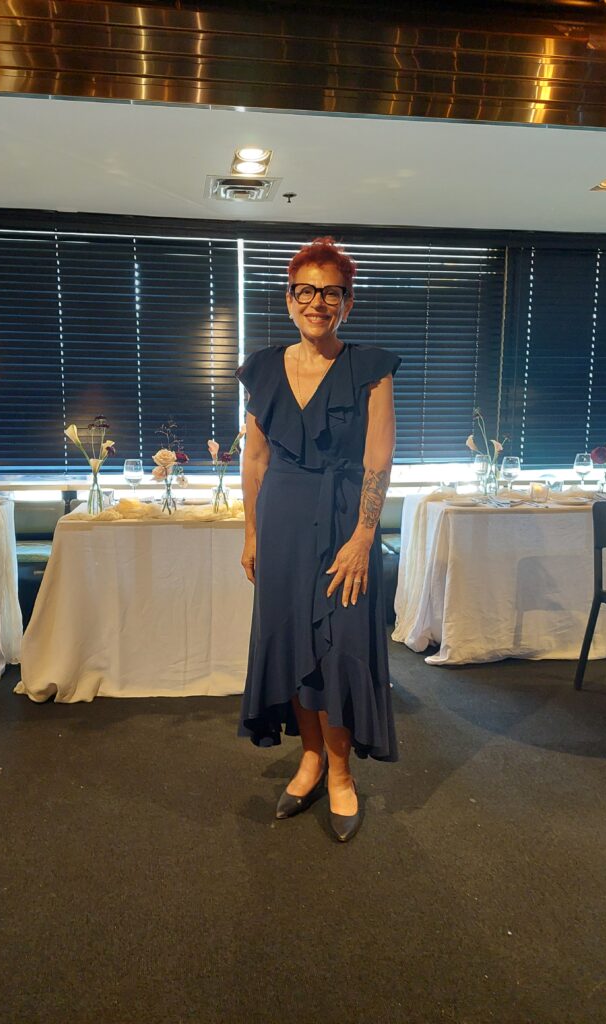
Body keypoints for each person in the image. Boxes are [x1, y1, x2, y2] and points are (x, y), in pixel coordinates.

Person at [236, 237, 400, 843]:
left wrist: (363, 537)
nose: (318, 302)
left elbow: (379, 460)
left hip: (343, 526)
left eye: (331, 292)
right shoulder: (261, 368)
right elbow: (253, 462)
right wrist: (251, 533)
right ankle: (308, 759)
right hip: (280, 523)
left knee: (342, 647)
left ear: (346, 303)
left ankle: (339, 773)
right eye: (307, 290)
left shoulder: (371, 368)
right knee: (287, 642)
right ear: (289, 299)